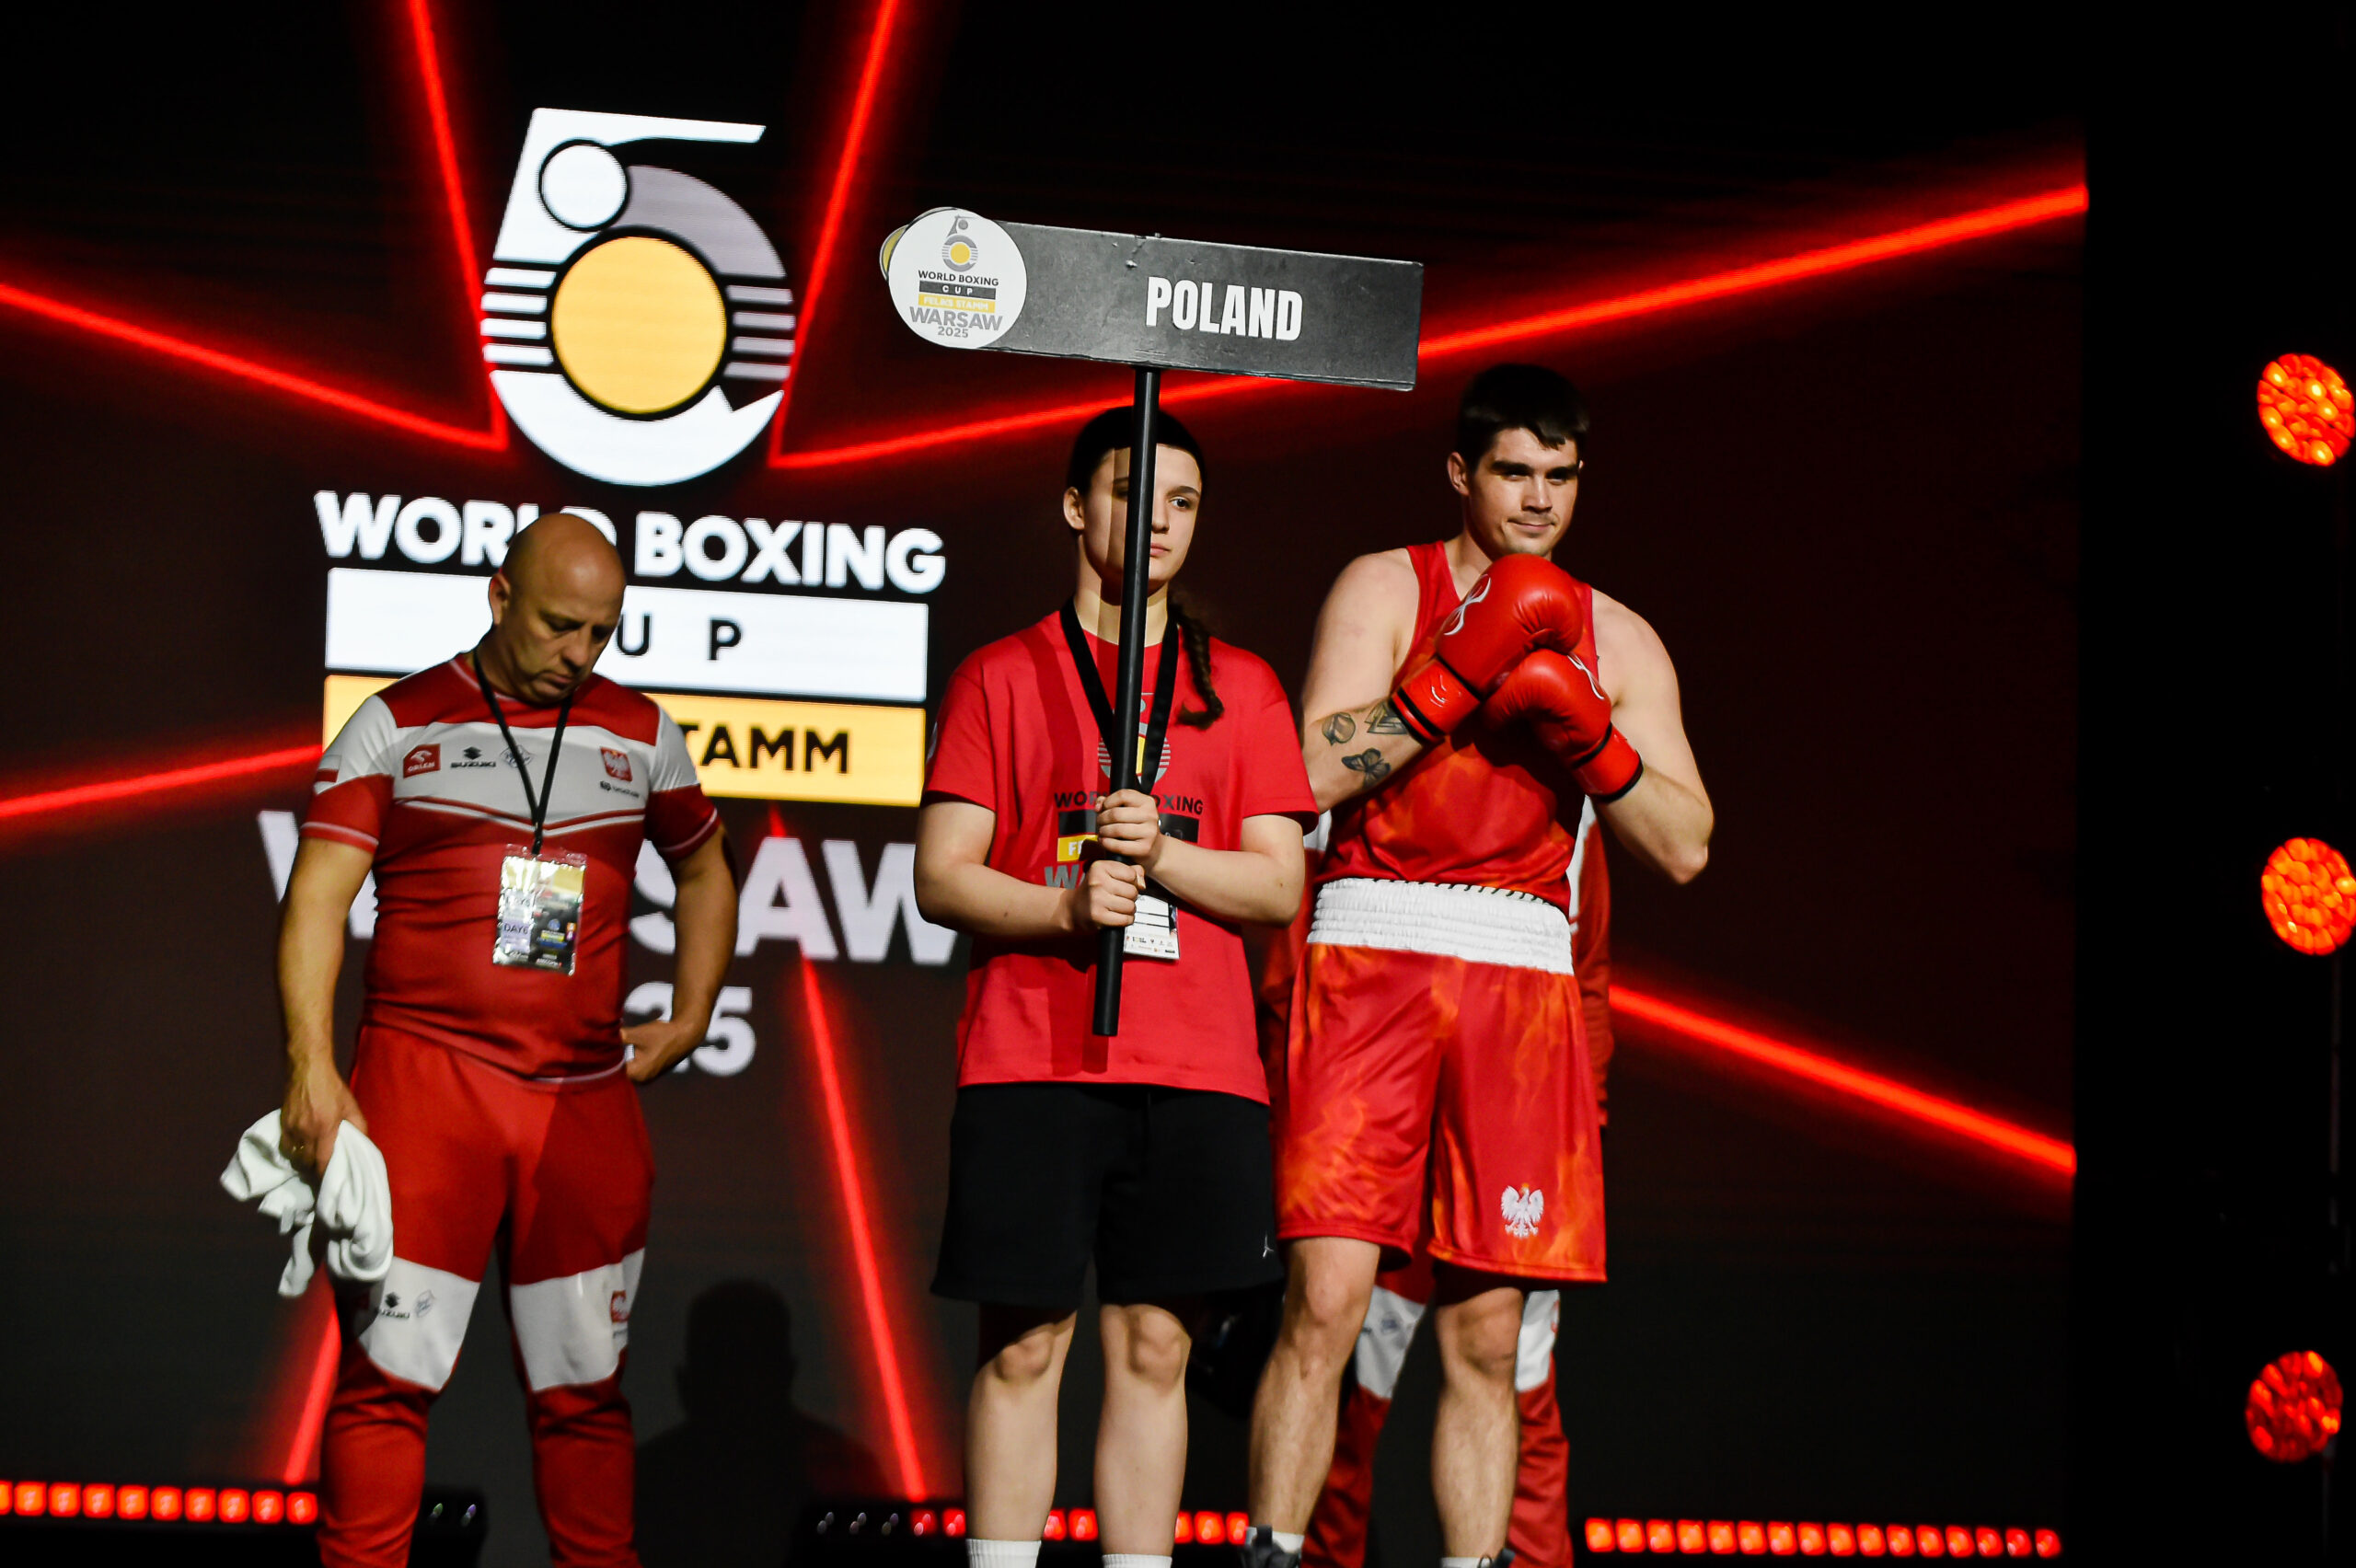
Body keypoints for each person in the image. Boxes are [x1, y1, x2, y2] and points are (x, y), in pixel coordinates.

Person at [1245, 364, 1712, 1568]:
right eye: (1514, 472)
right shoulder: (1384, 586)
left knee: (1489, 1337)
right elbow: (1307, 772)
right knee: (1325, 1303)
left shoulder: (1618, 636)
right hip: (1372, 952)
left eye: (1561, 475)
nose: (1538, 498)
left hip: (1520, 980)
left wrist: (1590, 734)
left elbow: (1686, 843)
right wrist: (1449, 682)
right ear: (1462, 472)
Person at [277, 513, 739, 1568]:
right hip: (425, 1083)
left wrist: (692, 1013)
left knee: (586, 1391)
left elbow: (706, 869)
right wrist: (310, 1065)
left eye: (602, 633)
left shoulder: (639, 731)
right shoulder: (397, 722)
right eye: (559, 625)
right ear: (498, 597)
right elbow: (315, 900)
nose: (580, 653)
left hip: (580, 1097)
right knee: (386, 1381)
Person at [915, 409, 1318, 1568]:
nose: (1160, 523)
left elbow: (1278, 884)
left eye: (1183, 502)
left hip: (1197, 1072)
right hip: (1033, 1061)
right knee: (1023, 1345)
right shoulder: (1002, 673)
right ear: (1074, 505)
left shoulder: (1240, 686)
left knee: (1155, 1349)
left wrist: (1163, 859)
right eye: (1136, 495)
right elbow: (941, 875)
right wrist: (1059, 908)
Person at [1295, 804, 1612, 1568]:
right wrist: (1296, 1127)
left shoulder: (1567, 797)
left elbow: (1589, 977)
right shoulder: (1353, 775)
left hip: (1507, 1137)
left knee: (1515, 1383)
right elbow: (1291, 967)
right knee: (1342, 1387)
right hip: (1369, 1135)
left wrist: (1573, 1143)